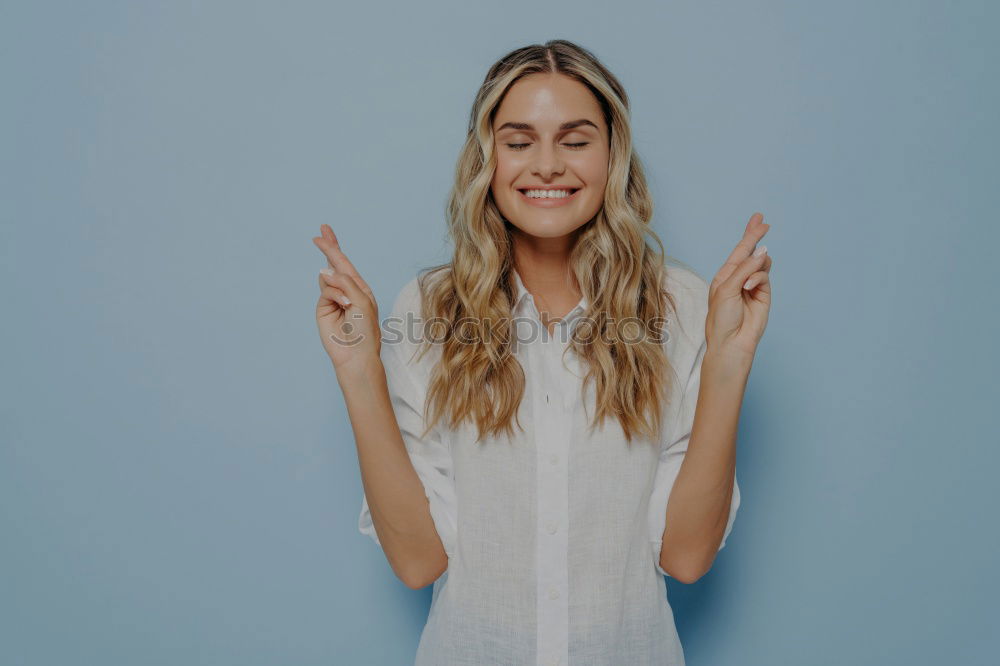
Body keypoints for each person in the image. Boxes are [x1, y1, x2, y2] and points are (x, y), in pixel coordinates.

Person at [313, 39, 772, 666]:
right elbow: (418, 563)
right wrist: (358, 370)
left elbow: (687, 558)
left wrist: (729, 359)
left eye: (577, 140)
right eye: (519, 140)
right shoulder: (427, 310)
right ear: (487, 159)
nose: (548, 165)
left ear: (613, 157)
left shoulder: (684, 307)